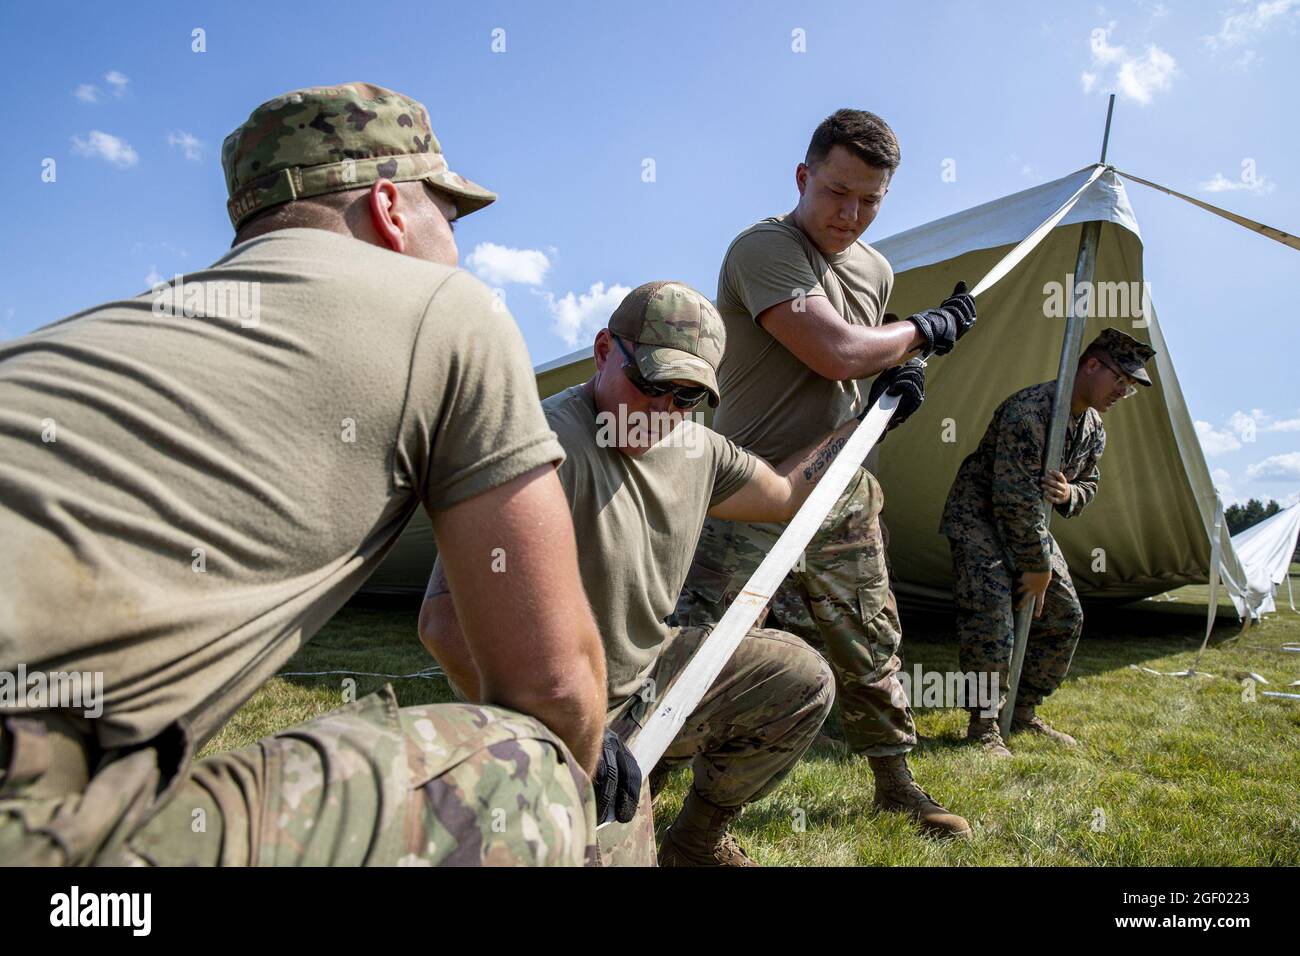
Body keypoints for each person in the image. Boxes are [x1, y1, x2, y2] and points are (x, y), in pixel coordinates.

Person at [0, 83, 608, 866]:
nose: (458, 247)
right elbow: (554, 690)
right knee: (529, 770)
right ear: (392, 209)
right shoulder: (448, 308)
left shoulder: (102, 337)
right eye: (448, 219)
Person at [421, 280, 927, 865]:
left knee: (801, 681)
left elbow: (786, 493)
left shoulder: (698, 449)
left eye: (688, 396)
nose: (663, 412)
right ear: (605, 350)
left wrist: (870, 422)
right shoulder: (541, 446)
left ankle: (696, 839)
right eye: (653, 385)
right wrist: (569, 732)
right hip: (540, 713)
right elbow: (444, 625)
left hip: (647, 681)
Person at [674, 109, 977, 838]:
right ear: (803, 177)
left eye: (870, 200)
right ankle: (633, 780)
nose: (851, 214)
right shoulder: (762, 248)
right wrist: (923, 331)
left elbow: (857, 360)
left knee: (870, 642)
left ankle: (896, 786)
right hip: (747, 491)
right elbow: (836, 352)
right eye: (837, 192)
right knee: (701, 648)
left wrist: (894, 368)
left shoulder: (875, 268)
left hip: (840, 488)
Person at [941, 328, 1157, 756]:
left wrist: (1069, 494)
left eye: (1130, 388)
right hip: (981, 518)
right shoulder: (1031, 411)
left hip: (1029, 526)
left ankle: (1020, 713)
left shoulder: (1093, 428)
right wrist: (1037, 567)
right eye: (1120, 380)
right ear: (1091, 365)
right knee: (992, 617)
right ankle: (984, 726)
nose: (1122, 391)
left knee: (1064, 616)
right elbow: (1011, 498)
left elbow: (1088, 484)